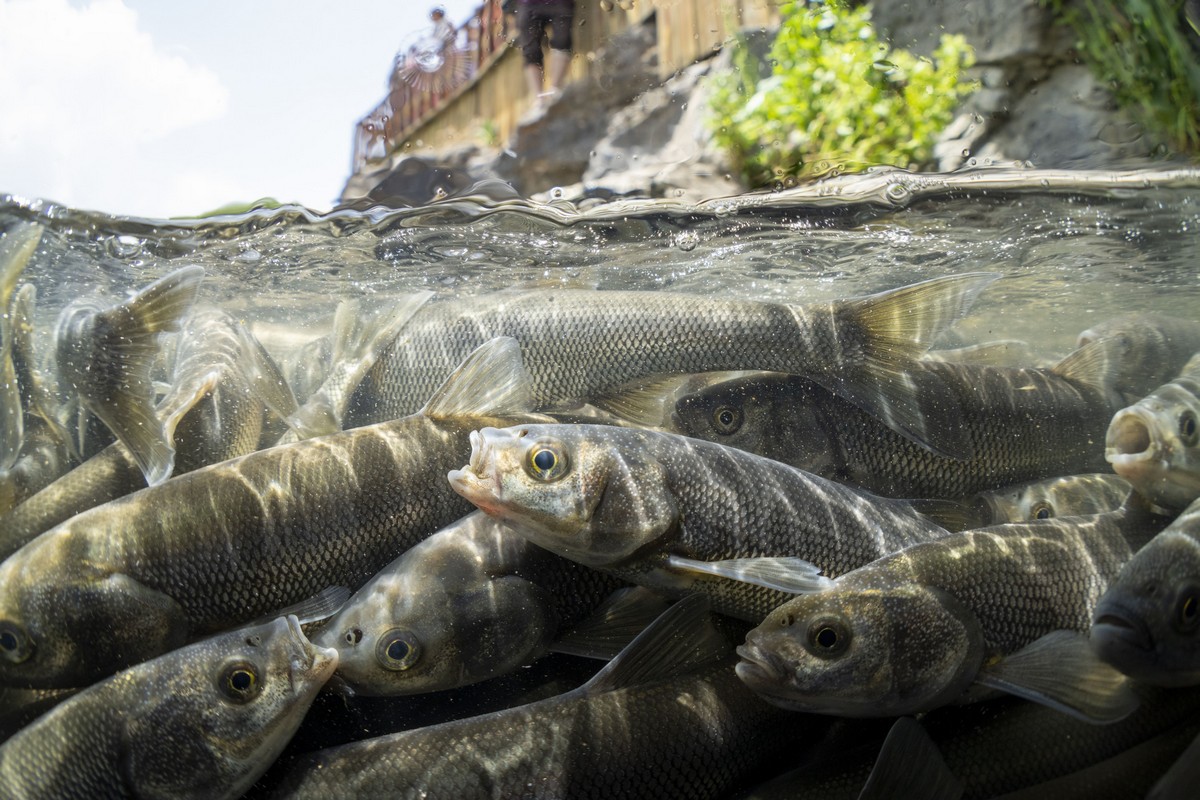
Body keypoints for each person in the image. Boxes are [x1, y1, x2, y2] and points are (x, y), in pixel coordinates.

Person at [516, 0, 574, 108]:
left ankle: (555, 91)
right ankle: (539, 99)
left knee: (562, 40)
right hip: (527, 4)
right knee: (530, 51)